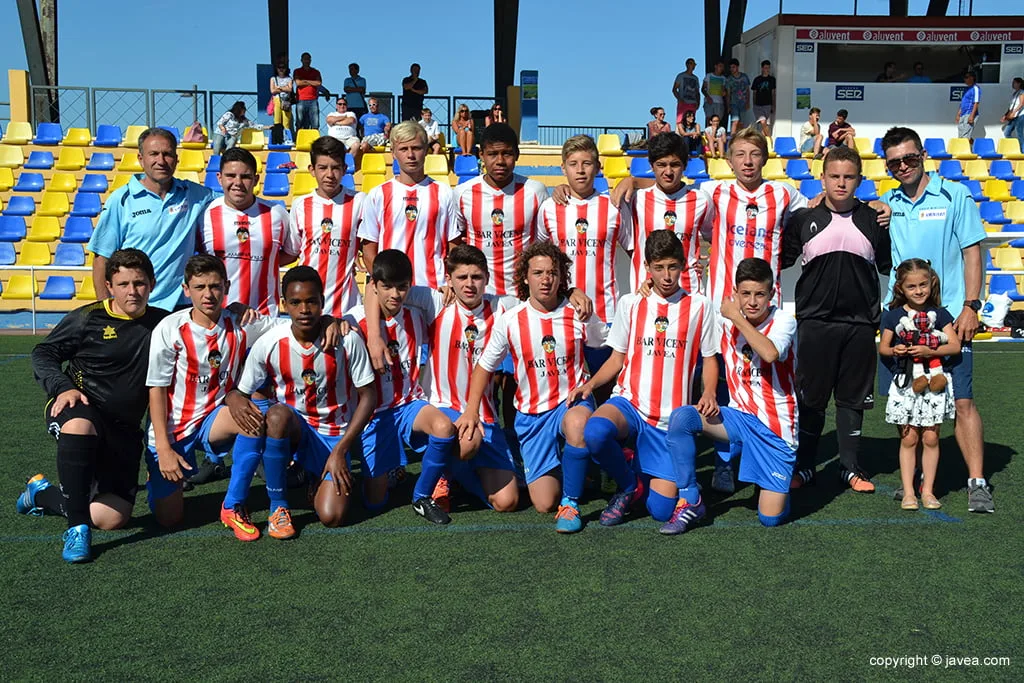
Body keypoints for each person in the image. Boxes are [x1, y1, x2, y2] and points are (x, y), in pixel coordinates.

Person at [455, 242, 636, 533]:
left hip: (571, 402)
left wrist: (592, 384)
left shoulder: (577, 312)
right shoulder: (510, 320)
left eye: (552, 272)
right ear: (525, 278)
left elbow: (609, 348)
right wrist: (471, 410)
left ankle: (571, 503)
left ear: (561, 277)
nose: (545, 279)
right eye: (538, 273)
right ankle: (584, 466)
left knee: (578, 424)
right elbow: (484, 366)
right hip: (532, 416)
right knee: (543, 502)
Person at [18, 249, 168, 563]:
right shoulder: (87, 318)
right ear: (109, 286)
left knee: (110, 518)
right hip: (80, 408)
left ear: (152, 284)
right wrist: (63, 387)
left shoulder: (163, 323)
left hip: (123, 430)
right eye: (123, 284)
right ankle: (77, 530)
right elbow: (43, 353)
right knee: (80, 424)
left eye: (139, 283)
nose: (132, 291)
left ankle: (41, 494)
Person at [879, 126, 993, 513]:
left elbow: (972, 252)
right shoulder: (888, 202)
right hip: (902, 322)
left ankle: (977, 482)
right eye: (894, 162)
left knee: (963, 402)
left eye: (910, 158)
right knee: (907, 405)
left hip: (950, 320)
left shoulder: (954, 195)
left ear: (923, 155)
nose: (903, 166)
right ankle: (915, 480)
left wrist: (971, 306)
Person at [575, 230, 716, 526]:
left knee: (660, 511)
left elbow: (709, 357)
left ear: (683, 265)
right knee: (595, 432)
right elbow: (617, 358)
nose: (666, 275)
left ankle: (638, 469)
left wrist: (709, 392)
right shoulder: (631, 304)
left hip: (667, 421)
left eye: (673, 266)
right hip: (630, 404)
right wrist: (590, 384)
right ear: (647, 267)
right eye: (659, 267)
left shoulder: (700, 306)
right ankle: (628, 486)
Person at [225, 267, 376, 537]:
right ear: (284, 304)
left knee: (332, 516)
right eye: (295, 302)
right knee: (276, 415)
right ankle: (278, 507)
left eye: (311, 301)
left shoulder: (347, 340)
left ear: (322, 302)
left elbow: (369, 396)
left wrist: (341, 450)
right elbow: (242, 391)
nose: (304, 309)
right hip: (295, 429)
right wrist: (233, 396)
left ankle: (313, 476)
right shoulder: (270, 342)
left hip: (333, 435)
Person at [781, 145, 891, 492]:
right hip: (815, 322)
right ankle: (804, 466)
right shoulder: (803, 219)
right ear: (822, 178)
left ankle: (850, 468)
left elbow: (889, 265)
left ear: (860, 180)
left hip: (860, 324)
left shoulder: (874, 220)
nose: (841, 183)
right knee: (811, 399)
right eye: (835, 176)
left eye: (848, 177)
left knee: (852, 399)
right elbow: (777, 260)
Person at [663, 257, 797, 533]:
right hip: (739, 418)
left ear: (772, 294)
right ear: (735, 292)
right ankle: (690, 500)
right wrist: (710, 392)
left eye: (760, 294)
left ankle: (776, 484)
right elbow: (707, 350)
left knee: (769, 518)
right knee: (682, 418)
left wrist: (735, 316)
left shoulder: (783, 320)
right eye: (745, 293)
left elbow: (770, 353)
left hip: (776, 428)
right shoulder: (723, 322)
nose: (752, 302)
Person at [145, 254, 278, 529]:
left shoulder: (241, 323)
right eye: (200, 287)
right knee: (169, 519)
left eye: (215, 286)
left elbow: (292, 327)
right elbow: (157, 390)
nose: (208, 294)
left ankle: (233, 505)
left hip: (212, 419)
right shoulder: (169, 329)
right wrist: (164, 448)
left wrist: (329, 322)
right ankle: (156, 477)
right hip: (174, 428)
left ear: (226, 287)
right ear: (186, 290)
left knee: (253, 418)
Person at [397, 245, 520, 513]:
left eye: (476, 277)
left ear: (487, 278)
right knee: (467, 442)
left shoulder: (503, 306)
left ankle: (456, 475)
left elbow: (541, 303)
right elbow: (380, 289)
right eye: (461, 277)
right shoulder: (436, 302)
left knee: (507, 502)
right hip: (443, 408)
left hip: (485, 415)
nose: (469, 284)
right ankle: (442, 476)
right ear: (449, 279)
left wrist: (571, 292)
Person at [346, 250, 459, 524]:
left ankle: (421, 495)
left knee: (444, 428)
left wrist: (449, 289)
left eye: (402, 287)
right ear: (374, 286)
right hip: (373, 416)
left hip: (409, 405)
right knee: (375, 502)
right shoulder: (353, 321)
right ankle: (389, 471)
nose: (395, 294)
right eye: (387, 287)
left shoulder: (418, 313)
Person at [538, 134, 632, 381]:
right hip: (561, 312)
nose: (580, 170)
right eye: (573, 164)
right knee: (562, 386)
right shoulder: (549, 208)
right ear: (563, 168)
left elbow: (634, 251)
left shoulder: (614, 207)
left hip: (606, 315)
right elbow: (538, 258)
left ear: (598, 167)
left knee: (604, 385)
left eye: (587, 163)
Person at [87, 127, 214, 311]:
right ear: (141, 159)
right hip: (138, 306)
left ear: (176, 159)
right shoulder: (122, 199)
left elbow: (234, 197)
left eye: (167, 154)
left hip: (180, 307)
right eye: (153, 154)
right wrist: (104, 310)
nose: (161, 161)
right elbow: (101, 259)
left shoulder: (194, 194)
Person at [878, 259, 960, 512]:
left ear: (931, 283)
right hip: (907, 384)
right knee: (910, 437)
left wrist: (929, 350)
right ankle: (908, 492)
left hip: (935, 383)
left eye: (923, 285)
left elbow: (954, 346)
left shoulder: (941, 314)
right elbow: (883, 348)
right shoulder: (893, 316)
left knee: (932, 437)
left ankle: (928, 491)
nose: (919, 291)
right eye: (912, 286)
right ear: (901, 288)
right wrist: (896, 350)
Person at [359, 121, 461, 290]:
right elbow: (369, 249)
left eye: (416, 148)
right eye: (403, 149)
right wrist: (385, 287)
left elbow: (454, 247)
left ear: (426, 150)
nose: (410, 155)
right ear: (393, 153)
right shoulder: (378, 194)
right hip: (394, 292)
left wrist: (451, 283)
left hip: (435, 289)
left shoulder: (444, 193)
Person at [200, 147, 299, 316]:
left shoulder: (277, 214)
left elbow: (291, 254)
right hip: (217, 317)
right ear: (219, 178)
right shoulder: (204, 215)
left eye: (245, 176)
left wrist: (262, 262)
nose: (238, 182)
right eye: (231, 176)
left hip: (264, 318)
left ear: (256, 179)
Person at [455, 123, 549, 299]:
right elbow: (455, 240)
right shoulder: (462, 193)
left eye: (507, 153)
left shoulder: (536, 191)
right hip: (478, 295)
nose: (500, 161)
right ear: (481, 155)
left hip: (524, 295)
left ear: (517, 154)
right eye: (492, 154)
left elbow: (546, 241)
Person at [626, 132, 709, 296]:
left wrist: (708, 261)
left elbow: (717, 236)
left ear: (685, 165)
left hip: (689, 292)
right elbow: (629, 244)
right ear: (652, 165)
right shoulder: (636, 199)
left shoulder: (702, 199)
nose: (668, 171)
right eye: (661, 165)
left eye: (675, 165)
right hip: (646, 293)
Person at [290, 136, 365, 318]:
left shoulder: (360, 201)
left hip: (347, 306)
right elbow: (294, 250)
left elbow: (370, 244)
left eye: (335, 168)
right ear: (312, 170)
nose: (330, 174)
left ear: (345, 169)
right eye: (323, 168)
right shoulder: (300, 205)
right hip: (308, 306)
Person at [293, 52, 323, 131]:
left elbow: (318, 83)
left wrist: (305, 81)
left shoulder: (316, 71)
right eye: (305, 59)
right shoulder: (297, 71)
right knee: (299, 122)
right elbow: (298, 83)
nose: (307, 61)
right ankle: (298, 137)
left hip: (313, 99)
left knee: (315, 123)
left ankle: (315, 137)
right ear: (301, 60)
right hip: (301, 99)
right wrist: (312, 82)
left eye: (308, 59)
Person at [269, 60, 295, 144]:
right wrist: (284, 88)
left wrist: (279, 88)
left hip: (286, 101)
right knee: (277, 121)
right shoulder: (273, 78)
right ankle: (277, 139)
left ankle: (287, 139)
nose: (281, 69)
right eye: (279, 67)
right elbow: (272, 91)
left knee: (286, 122)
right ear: (276, 69)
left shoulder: (289, 78)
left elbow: (290, 89)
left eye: (283, 67)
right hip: (277, 100)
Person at [725, 58, 752, 135]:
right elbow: (728, 94)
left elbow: (747, 90)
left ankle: (741, 137)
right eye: (730, 67)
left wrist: (747, 102)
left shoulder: (744, 77)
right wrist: (728, 106)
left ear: (737, 67)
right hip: (734, 103)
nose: (732, 69)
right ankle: (732, 137)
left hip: (743, 102)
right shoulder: (729, 79)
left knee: (742, 122)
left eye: (733, 67)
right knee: (735, 121)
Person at [672, 58, 701, 127]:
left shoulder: (695, 78)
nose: (693, 65)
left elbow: (697, 92)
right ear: (687, 65)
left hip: (693, 103)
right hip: (683, 102)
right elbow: (674, 89)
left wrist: (698, 102)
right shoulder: (681, 76)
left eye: (694, 64)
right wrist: (679, 99)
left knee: (691, 122)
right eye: (691, 63)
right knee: (680, 121)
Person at [750, 60, 776, 136]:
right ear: (762, 68)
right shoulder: (757, 79)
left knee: (765, 125)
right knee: (763, 121)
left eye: (768, 68)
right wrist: (754, 104)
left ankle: (761, 139)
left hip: (768, 104)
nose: (767, 70)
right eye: (765, 68)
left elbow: (773, 93)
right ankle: (769, 138)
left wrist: (773, 105)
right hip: (758, 105)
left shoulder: (772, 79)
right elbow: (754, 93)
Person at [1000, 77, 1024, 148]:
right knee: (1007, 133)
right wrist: (1006, 115)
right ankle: (1016, 146)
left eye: (1014, 83)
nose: (1012, 84)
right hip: (1014, 116)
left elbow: (1021, 103)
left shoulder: (1021, 92)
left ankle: (1022, 150)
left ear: (1019, 84)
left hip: (1020, 115)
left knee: (1019, 132)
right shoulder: (1015, 93)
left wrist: (1014, 112)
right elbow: (1011, 106)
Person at [957, 72, 981, 141]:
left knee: (965, 136)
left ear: (972, 78)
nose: (965, 79)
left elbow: (976, 103)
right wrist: (959, 113)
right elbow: (963, 102)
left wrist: (972, 115)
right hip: (963, 114)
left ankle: (968, 147)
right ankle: (973, 144)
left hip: (969, 113)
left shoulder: (975, 88)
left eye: (966, 77)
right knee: (961, 136)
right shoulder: (967, 89)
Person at [702, 58, 727, 123]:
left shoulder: (723, 78)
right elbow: (703, 89)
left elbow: (724, 89)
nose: (721, 68)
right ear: (715, 66)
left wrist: (724, 92)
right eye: (720, 66)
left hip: (719, 102)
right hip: (709, 101)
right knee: (709, 119)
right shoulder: (709, 75)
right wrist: (708, 97)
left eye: (722, 67)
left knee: (717, 121)